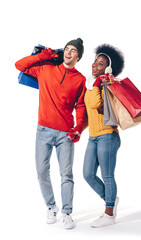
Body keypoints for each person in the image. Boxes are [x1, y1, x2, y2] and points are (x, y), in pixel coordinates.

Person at [15, 38, 87, 229]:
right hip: (43, 130)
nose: (68, 52)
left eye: (73, 50)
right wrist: (42, 56)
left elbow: (80, 106)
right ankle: (51, 206)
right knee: (41, 172)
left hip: (66, 133)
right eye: (67, 49)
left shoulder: (80, 79)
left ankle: (67, 212)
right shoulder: (45, 68)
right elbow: (19, 65)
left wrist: (78, 128)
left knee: (66, 174)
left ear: (78, 56)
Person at [83, 44, 125, 228]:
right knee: (88, 174)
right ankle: (110, 198)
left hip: (108, 135)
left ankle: (109, 215)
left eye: (100, 64)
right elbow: (89, 111)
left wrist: (98, 84)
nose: (95, 65)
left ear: (108, 68)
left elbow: (95, 104)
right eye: (95, 61)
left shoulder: (107, 85)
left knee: (107, 176)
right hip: (93, 136)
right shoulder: (93, 84)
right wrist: (79, 129)